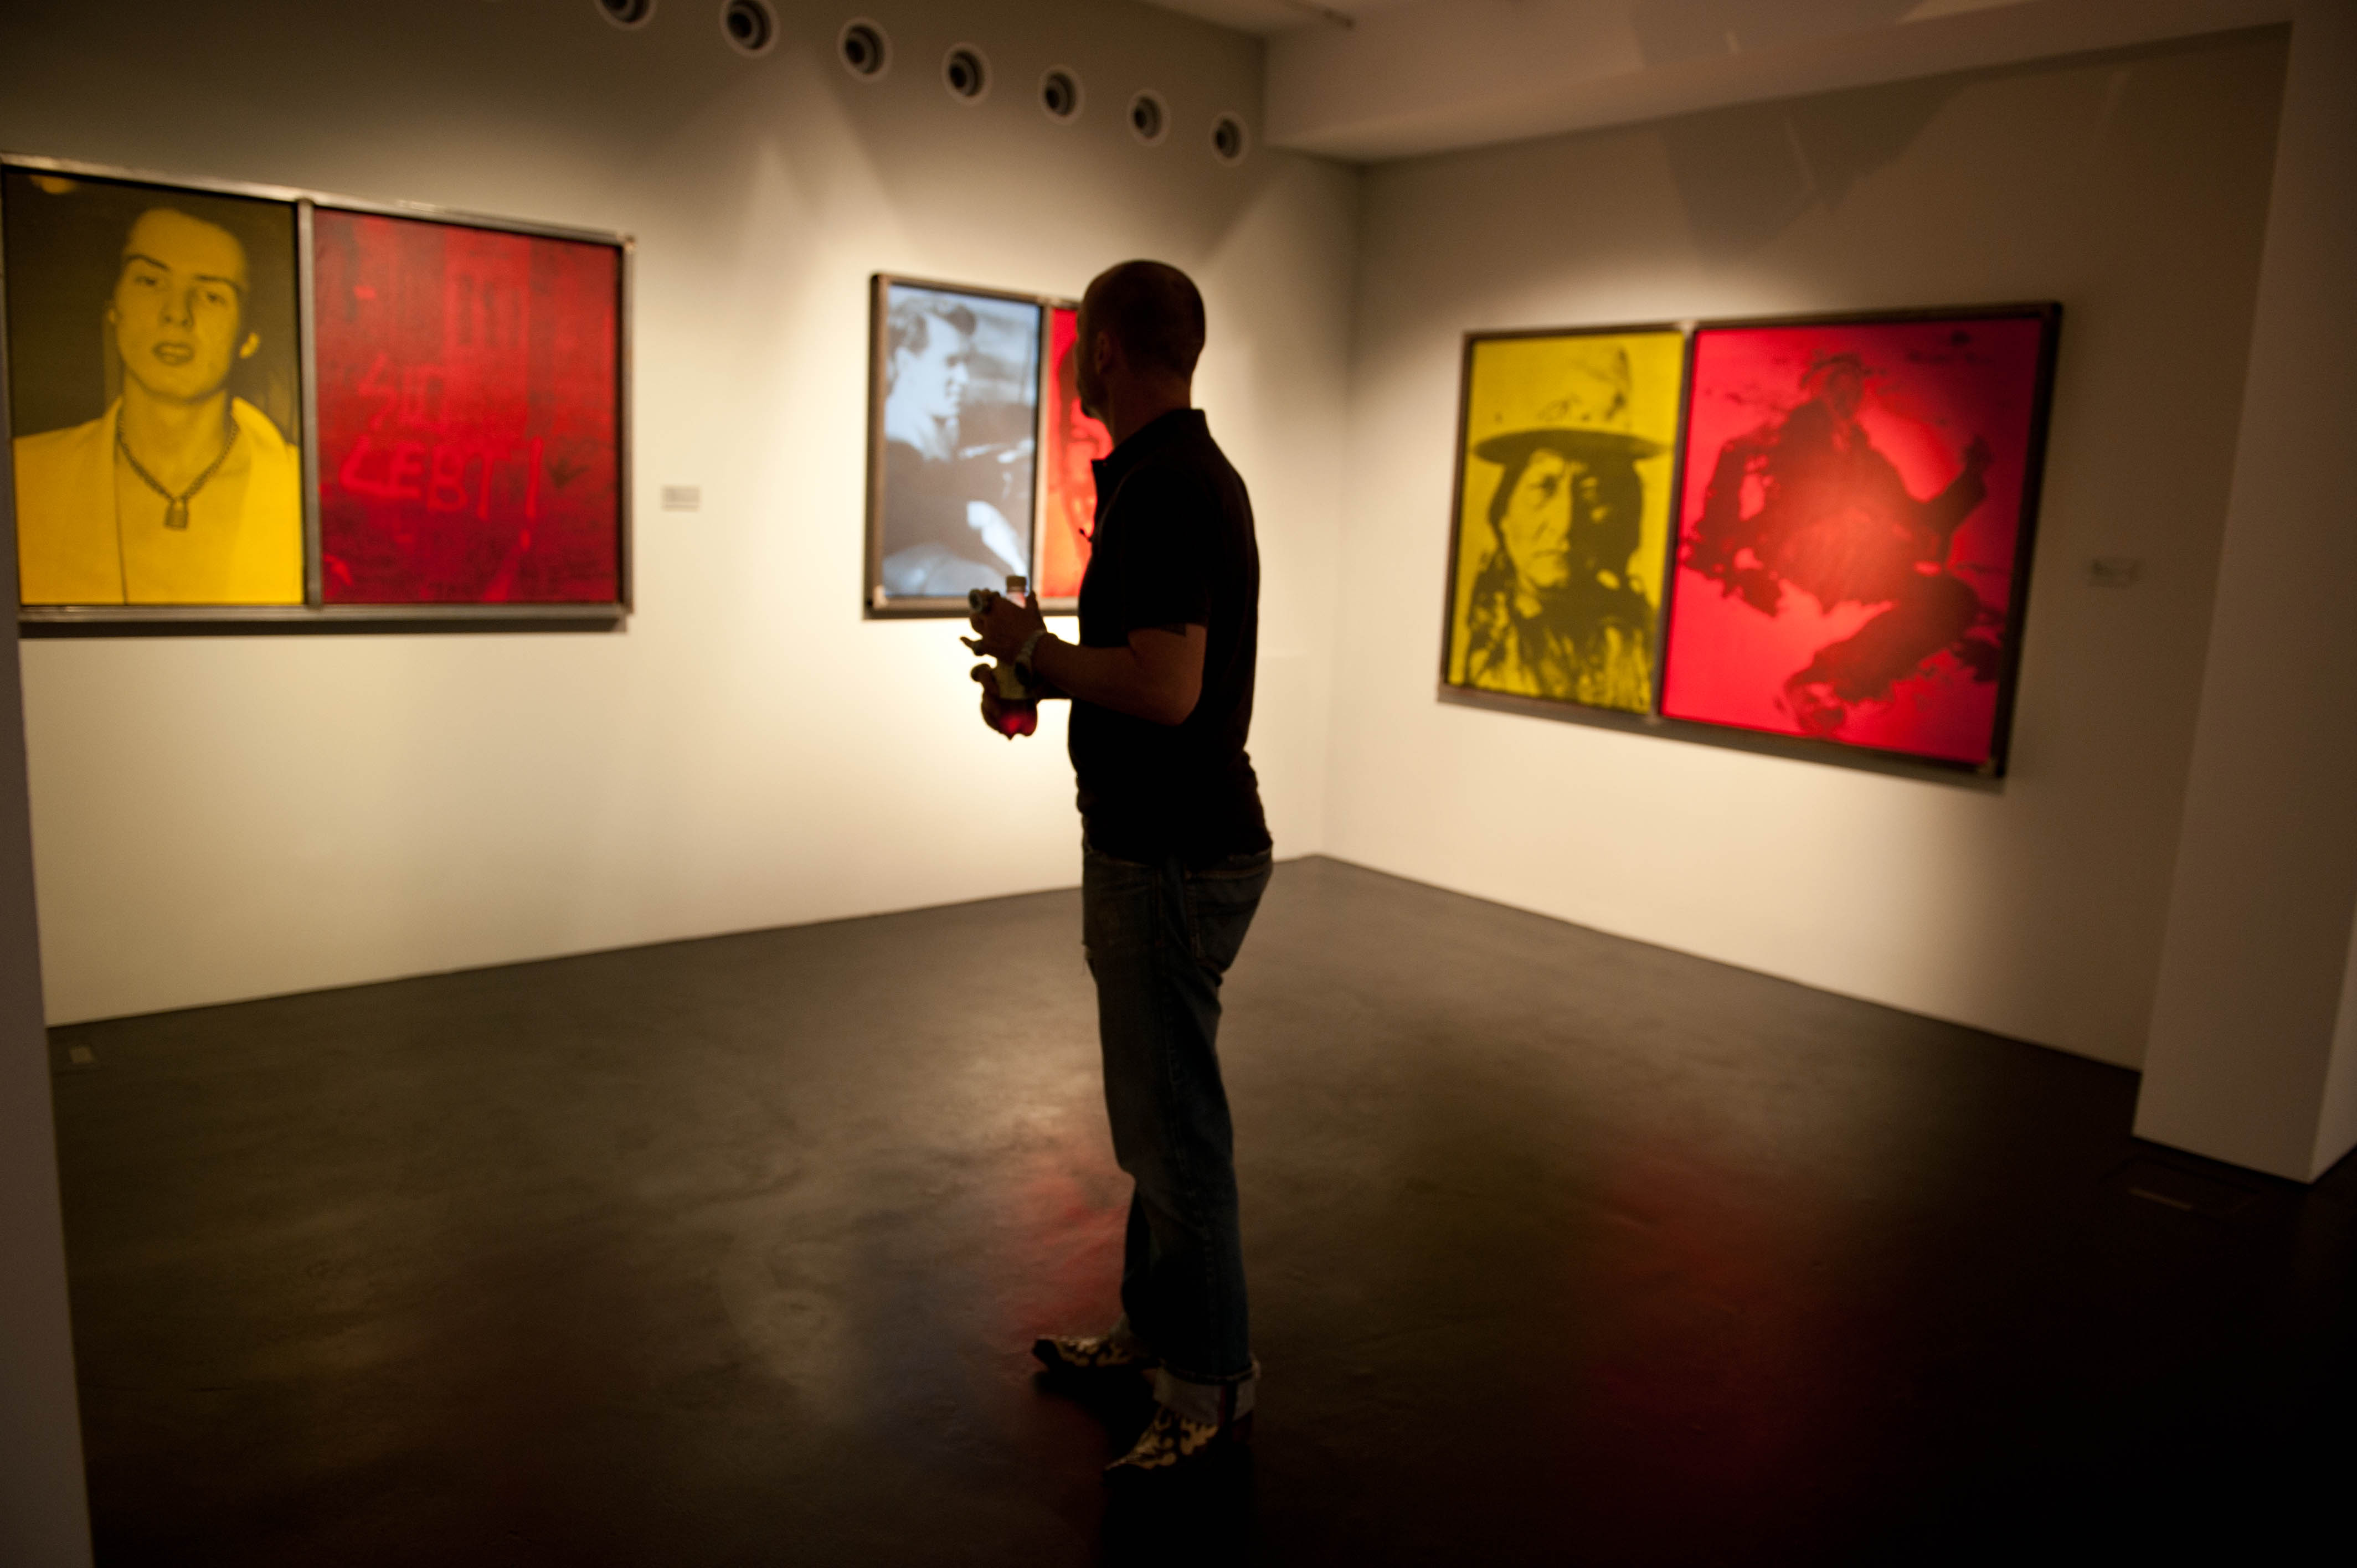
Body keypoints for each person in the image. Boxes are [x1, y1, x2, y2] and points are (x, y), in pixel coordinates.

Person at [964, 260, 1271, 1482]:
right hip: (1169, 841)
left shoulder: (1169, 488)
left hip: (1170, 852)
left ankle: (1210, 1385)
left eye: (1079, 345)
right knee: (1157, 1119)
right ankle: (1156, 1329)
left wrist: (1039, 650)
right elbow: (1148, 671)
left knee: (1175, 1133)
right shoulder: (1172, 475)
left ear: (1103, 353)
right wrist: (1042, 671)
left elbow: (1167, 686)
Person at [1684, 352, 1998, 734]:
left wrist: (1972, 479)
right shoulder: (1792, 443)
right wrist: (1734, 458)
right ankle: (1832, 684)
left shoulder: (1870, 463)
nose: (1845, 400)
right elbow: (1725, 517)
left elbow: (1924, 521)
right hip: (1807, 560)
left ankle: (1846, 678)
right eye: (1836, 389)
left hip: (1861, 568)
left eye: (1853, 393)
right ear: (1816, 392)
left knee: (1954, 600)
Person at [13, 205, 302, 605]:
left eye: (212, 295)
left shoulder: (305, 494)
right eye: (150, 281)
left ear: (249, 336)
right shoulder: (23, 476)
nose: (176, 314)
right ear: (113, 306)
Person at [1457, 349, 1661, 710]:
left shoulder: (1640, 638)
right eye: (1543, 488)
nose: (1565, 525)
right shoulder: (1470, 636)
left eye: (1591, 495)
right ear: (1503, 512)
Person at [877, 291, 1032, 599]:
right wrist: (978, 515)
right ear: (906, 363)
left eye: (965, 362)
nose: (963, 378)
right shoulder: (894, 435)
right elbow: (896, 512)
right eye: (949, 362)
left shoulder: (943, 420)